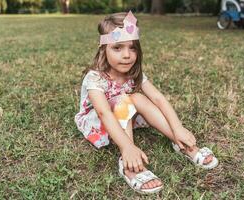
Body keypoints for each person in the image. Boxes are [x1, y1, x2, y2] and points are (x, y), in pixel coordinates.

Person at [75, 11, 218, 194]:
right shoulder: (95, 78)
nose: (127, 55)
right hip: (101, 122)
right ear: (103, 48)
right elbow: (104, 113)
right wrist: (128, 147)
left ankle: (180, 142)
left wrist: (178, 127)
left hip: (124, 114)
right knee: (123, 100)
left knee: (137, 97)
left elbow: (158, 98)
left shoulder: (133, 73)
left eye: (132, 47)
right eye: (117, 48)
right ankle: (129, 165)